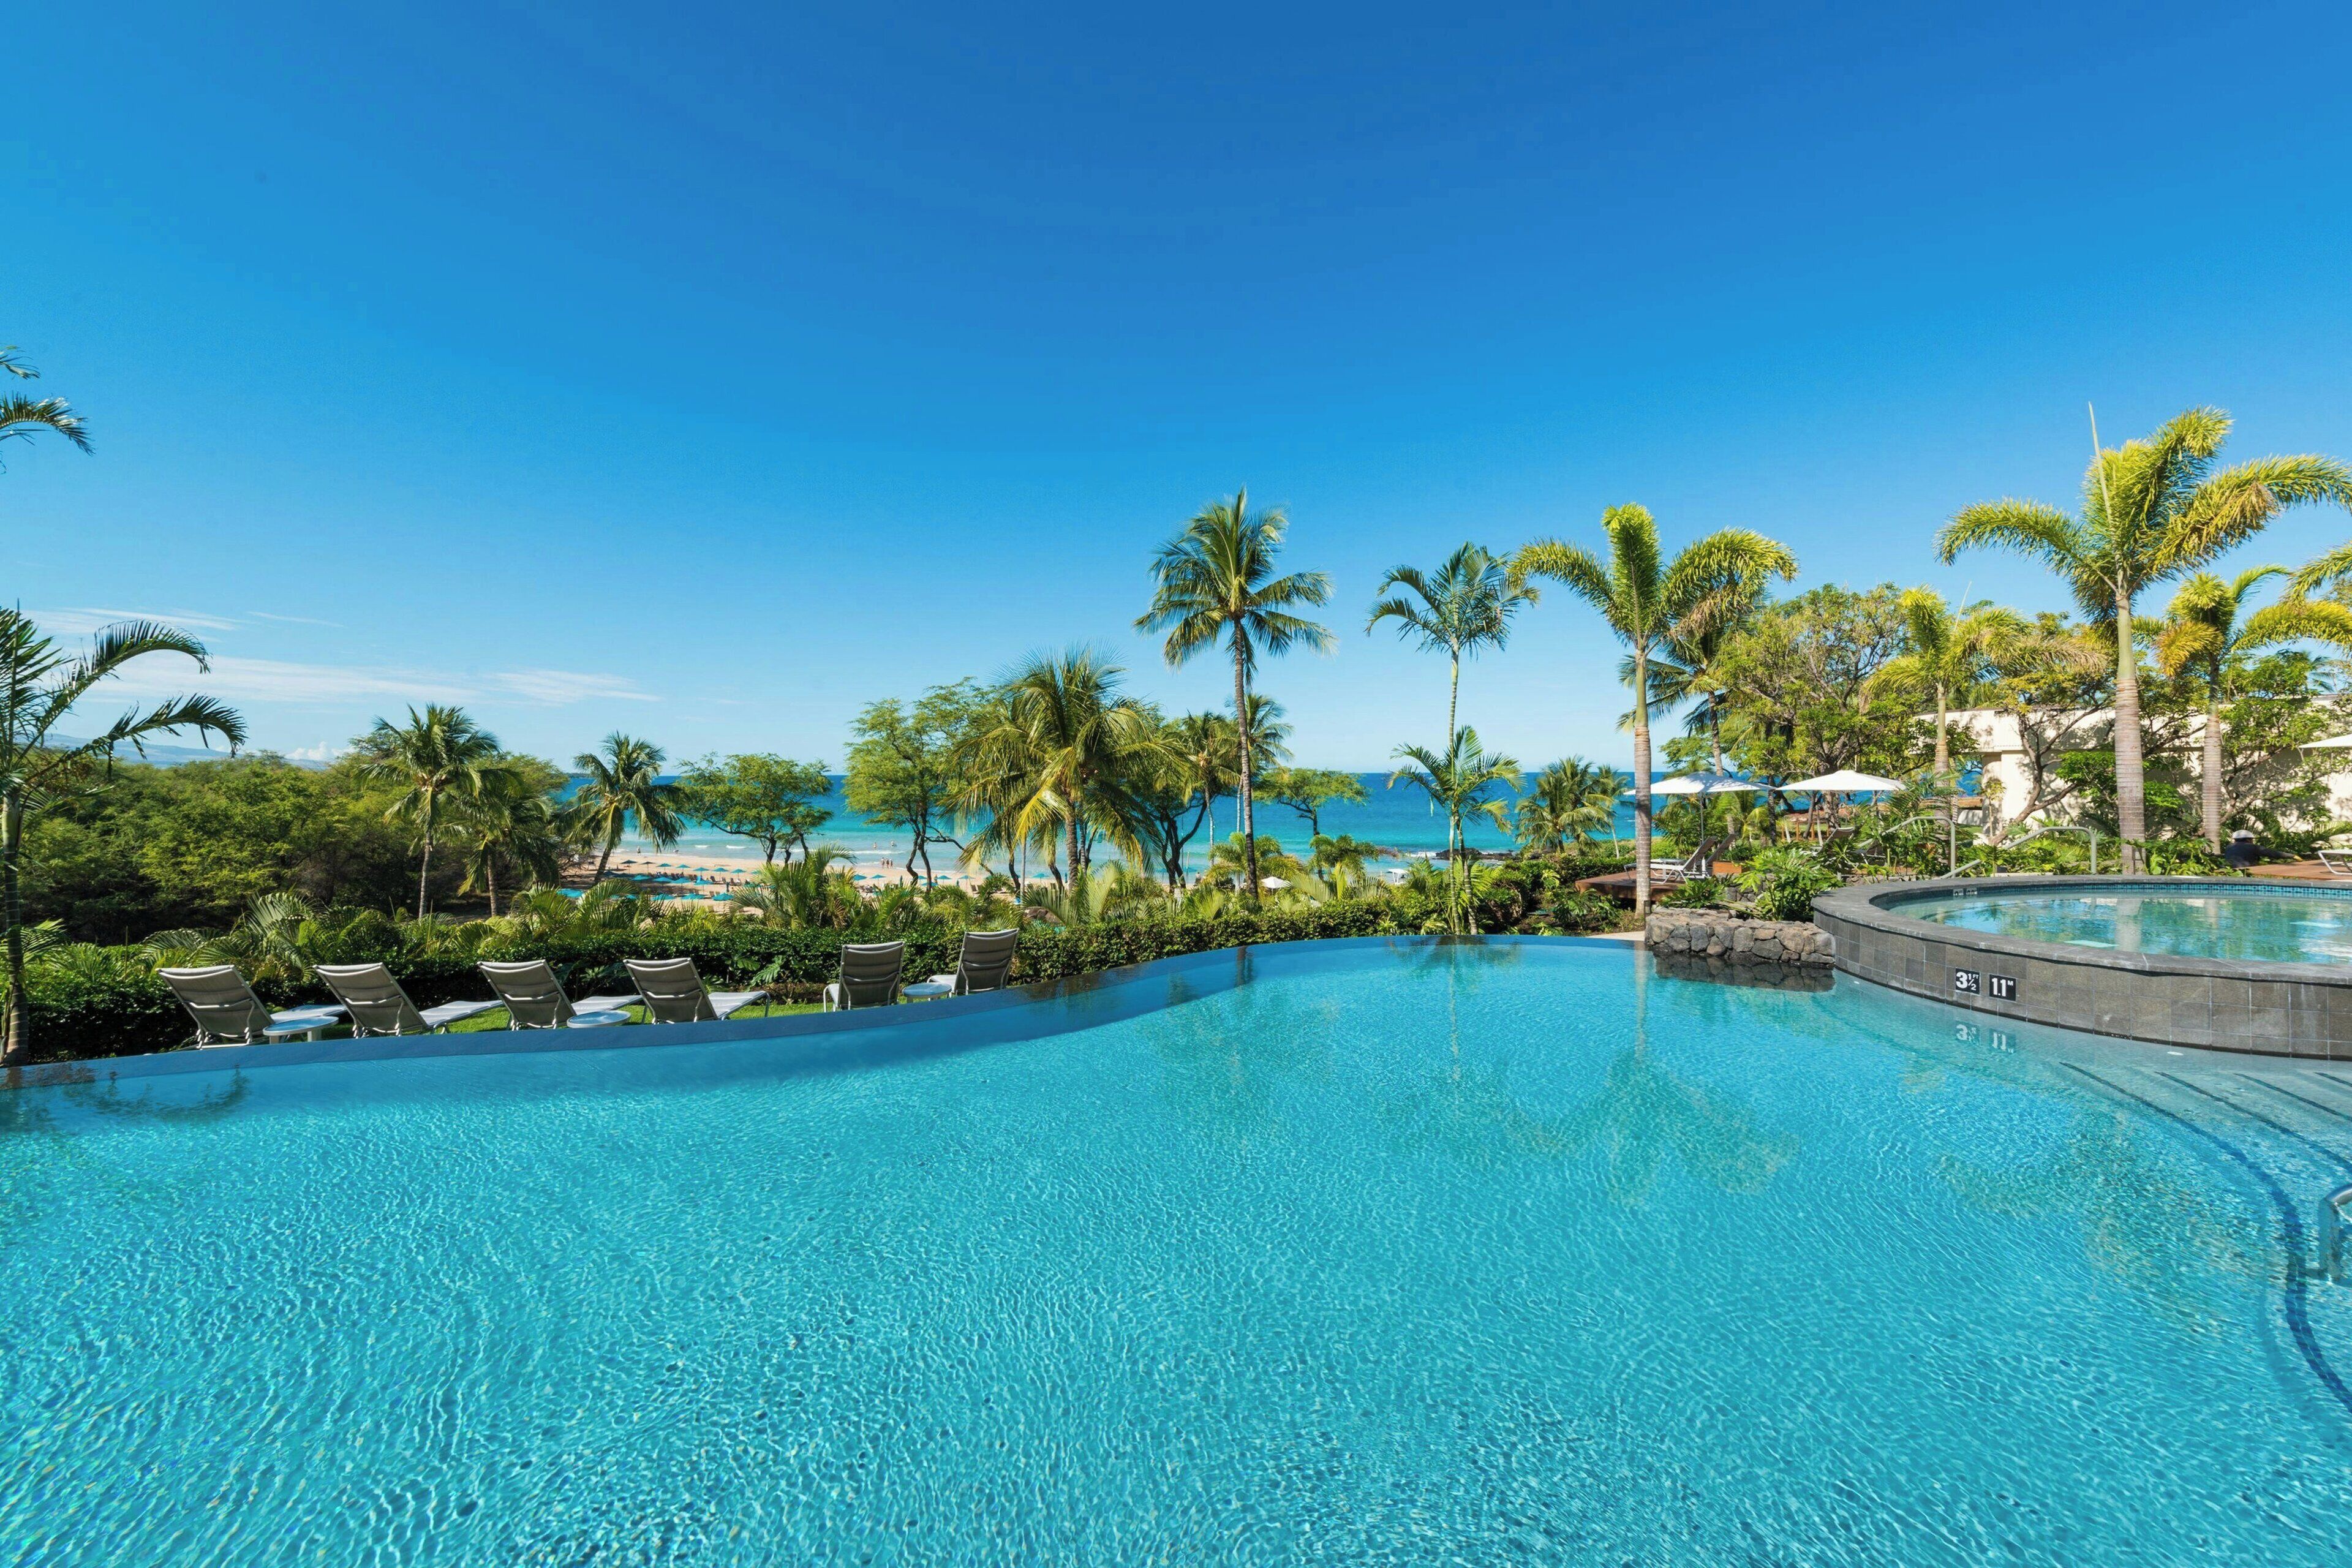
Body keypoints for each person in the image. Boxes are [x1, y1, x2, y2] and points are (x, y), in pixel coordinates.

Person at [2223, 828, 2293, 870]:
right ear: (2248, 839)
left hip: (2229, 870)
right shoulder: (2253, 847)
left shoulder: (2229, 847)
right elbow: (2272, 853)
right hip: (2247, 871)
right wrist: (2292, 856)